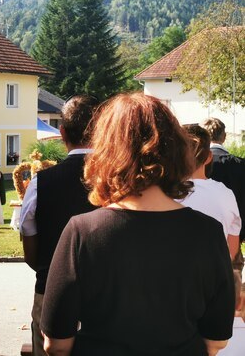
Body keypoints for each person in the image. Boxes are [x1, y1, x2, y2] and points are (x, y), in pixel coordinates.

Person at [40, 93, 235, 356]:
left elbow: (57, 344)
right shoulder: (208, 232)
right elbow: (216, 340)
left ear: (106, 152)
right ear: (176, 150)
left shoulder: (82, 232)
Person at [19, 95, 97, 356]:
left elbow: (30, 249)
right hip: (107, 297)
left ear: (62, 132)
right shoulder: (120, 181)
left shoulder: (42, 183)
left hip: (50, 289)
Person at [201, 117, 245, 303]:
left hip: (200, 239)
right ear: (224, 137)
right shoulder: (241, 165)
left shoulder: (196, 166)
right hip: (234, 237)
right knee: (232, 292)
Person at [180, 124, 241, 258]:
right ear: (208, 157)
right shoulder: (226, 194)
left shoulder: (163, 193)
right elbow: (232, 250)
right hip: (214, 273)